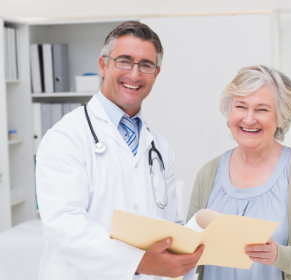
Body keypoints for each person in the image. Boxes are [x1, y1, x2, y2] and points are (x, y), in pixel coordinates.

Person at [36, 21, 203, 280]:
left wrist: (190, 249)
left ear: (156, 73)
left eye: (146, 65)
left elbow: (169, 224)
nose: (135, 74)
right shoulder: (65, 137)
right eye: (124, 61)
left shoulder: (160, 148)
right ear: (103, 65)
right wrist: (139, 262)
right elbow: (64, 225)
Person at [187, 65, 291, 280]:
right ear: (229, 111)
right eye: (241, 106)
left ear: (281, 117)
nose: (249, 119)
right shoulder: (208, 173)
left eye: (262, 109)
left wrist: (279, 255)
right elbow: (188, 249)